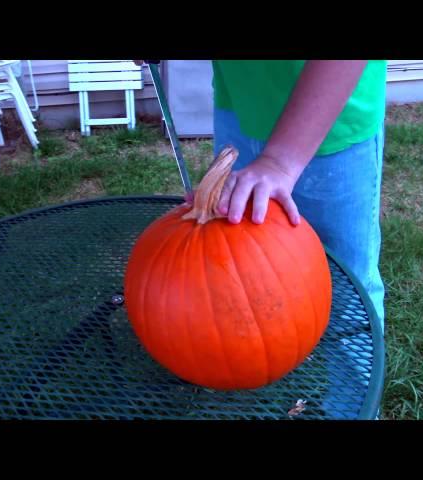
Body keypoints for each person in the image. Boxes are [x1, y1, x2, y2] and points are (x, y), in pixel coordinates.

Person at [140, 60, 387, 334]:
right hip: (241, 102)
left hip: (330, 115)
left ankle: (349, 376)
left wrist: (281, 161)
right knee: (239, 270)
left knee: (345, 285)